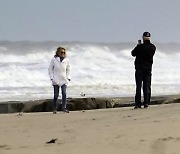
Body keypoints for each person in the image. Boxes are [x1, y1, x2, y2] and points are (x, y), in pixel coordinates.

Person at [131, 32, 156, 109]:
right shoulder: (153, 47)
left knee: (138, 86)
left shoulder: (140, 47)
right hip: (148, 69)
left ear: (143, 38)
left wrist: (138, 46)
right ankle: (146, 103)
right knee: (147, 86)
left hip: (139, 68)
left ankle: (138, 104)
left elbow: (133, 53)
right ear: (150, 37)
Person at [48, 47, 71, 113]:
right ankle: (54, 108)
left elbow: (68, 69)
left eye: (64, 52)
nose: (63, 54)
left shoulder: (66, 60)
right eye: (61, 52)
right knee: (56, 94)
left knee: (64, 93)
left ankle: (64, 108)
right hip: (56, 79)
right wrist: (52, 77)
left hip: (64, 79)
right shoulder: (54, 59)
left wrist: (68, 77)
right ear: (58, 52)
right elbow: (50, 69)